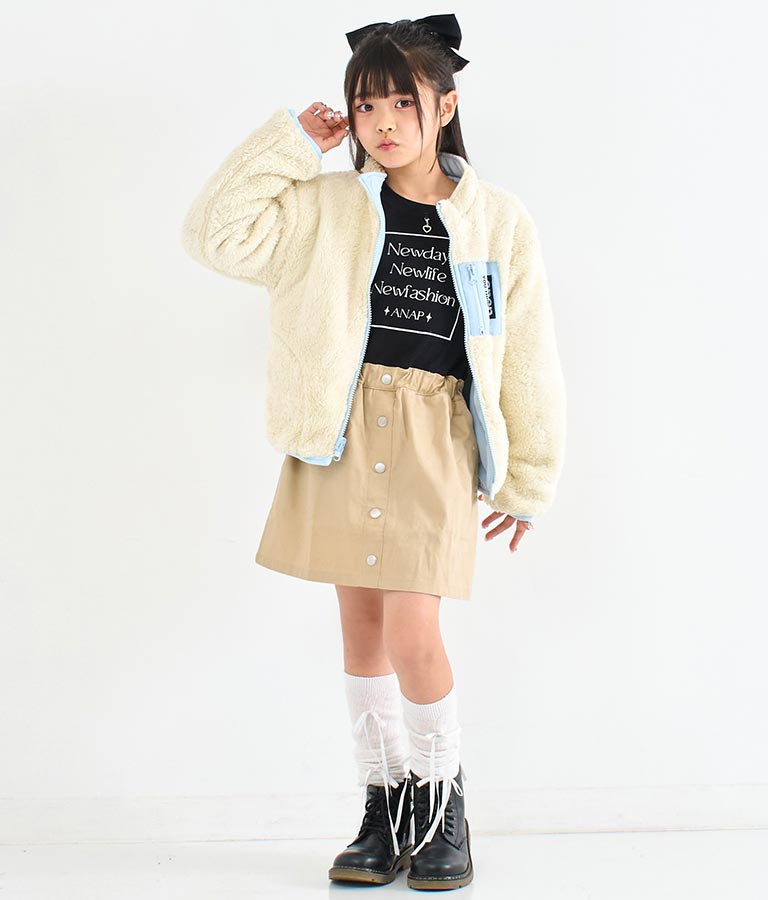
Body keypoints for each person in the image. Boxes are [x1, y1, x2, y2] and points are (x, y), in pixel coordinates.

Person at [180, 13, 567, 891]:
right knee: (360, 630)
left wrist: (530, 476)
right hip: (342, 429)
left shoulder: (498, 221)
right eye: (365, 105)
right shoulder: (327, 208)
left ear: (445, 107)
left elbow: (527, 352)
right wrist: (290, 145)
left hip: (435, 435)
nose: (382, 122)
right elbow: (212, 234)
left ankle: (442, 804)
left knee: (412, 629)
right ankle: (384, 805)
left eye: (402, 101)